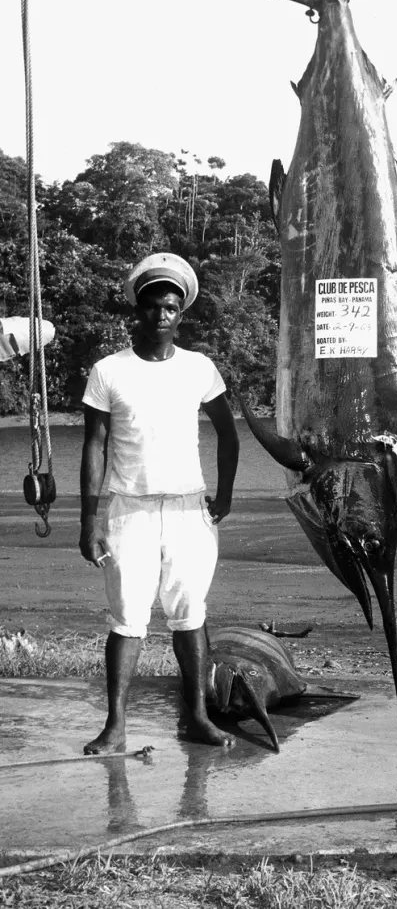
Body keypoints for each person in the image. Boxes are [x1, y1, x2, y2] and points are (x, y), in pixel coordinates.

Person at [79, 252, 240, 754]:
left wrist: (227, 494)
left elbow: (228, 436)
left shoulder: (199, 368)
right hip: (129, 509)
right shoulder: (108, 371)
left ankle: (195, 717)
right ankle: (116, 727)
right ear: (138, 311)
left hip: (191, 510)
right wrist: (89, 521)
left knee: (190, 614)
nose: (161, 316)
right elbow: (94, 446)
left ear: (181, 313)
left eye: (171, 307)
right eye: (152, 307)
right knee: (127, 618)